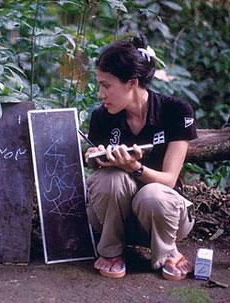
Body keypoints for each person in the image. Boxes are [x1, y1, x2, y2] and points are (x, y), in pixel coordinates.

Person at [84, 36, 197, 280]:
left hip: (165, 217)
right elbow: (99, 176)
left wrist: (134, 166)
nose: (101, 94)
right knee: (109, 179)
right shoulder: (102, 117)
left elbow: (168, 180)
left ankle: (168, 252)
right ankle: (111, 251)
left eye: (106, 85)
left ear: (132, 83)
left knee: (153, 193)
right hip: (114, 220)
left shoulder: (176, 111)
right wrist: (96, 158)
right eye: (99, 85)